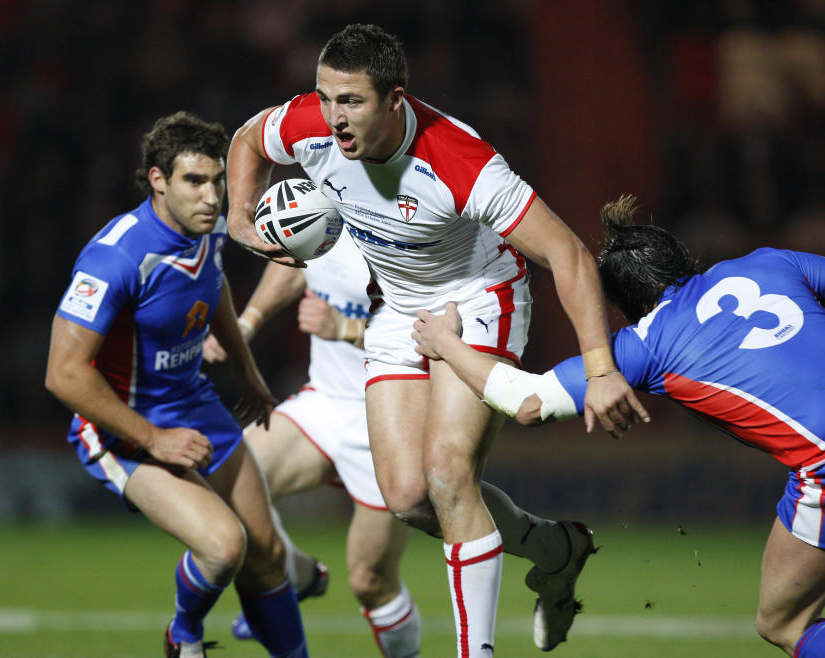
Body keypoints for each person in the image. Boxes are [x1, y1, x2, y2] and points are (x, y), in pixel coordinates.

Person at [224, 23, 650, 656]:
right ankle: (557, 552)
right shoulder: (308, 123)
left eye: (353, 102)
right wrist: (238, 217)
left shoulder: (458, 161)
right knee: (406, 497)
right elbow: (246, 139)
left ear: (396, 99)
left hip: (478, 295)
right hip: (397, 305)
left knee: (448, 473)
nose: (334, 119)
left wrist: (601, 368)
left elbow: (567, 254)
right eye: (325, 98)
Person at [411, 194, 825, 658]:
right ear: (682, 260)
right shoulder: (767, 262)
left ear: (626, 305)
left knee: (784, 622)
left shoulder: (643, 343)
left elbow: (526, 402)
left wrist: (446, 344)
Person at [44, 112, 308, 658]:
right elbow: (63, 373)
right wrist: (152, 437)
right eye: (194, 181)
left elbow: (215, 290)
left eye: (217, 181)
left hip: (195, 403)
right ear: (158, 179)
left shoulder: (207, 229)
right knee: (224, 547)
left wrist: (246, 369)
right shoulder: (116, 256)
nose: (211, 196)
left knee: (268, 555)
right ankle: (182, 635)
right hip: (121, 426)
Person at [203, 230, 423, 657]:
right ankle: (298, 575)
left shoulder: (413, 219)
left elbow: (437, 332)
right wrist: (246, 325)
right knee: (225, 486)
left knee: (370, 582)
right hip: (324, 401)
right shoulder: (325, 201)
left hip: (390, 420)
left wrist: (346, 328)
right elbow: (295, 265)